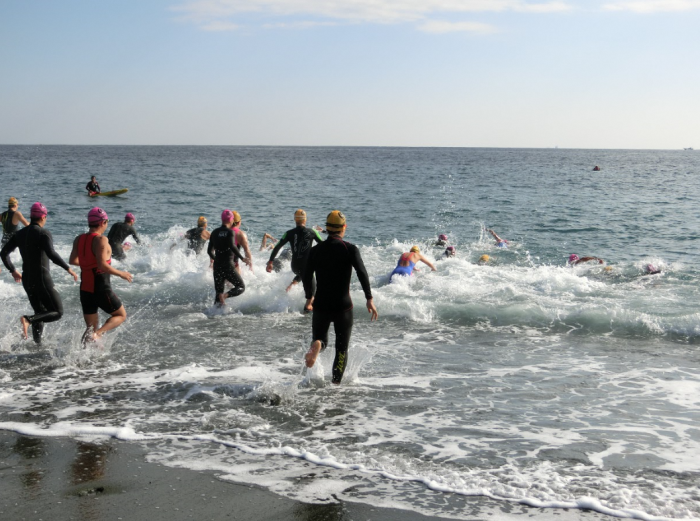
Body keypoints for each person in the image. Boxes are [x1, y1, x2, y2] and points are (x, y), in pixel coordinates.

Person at [303, 211, 378, 385]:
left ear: (327, 229)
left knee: (321, 339)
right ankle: (335, 387)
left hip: (321, 304)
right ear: (343, 228)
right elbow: (362, 273)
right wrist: (369, 298)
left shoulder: (315, 250)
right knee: (341, 349)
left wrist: (309, 297)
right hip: (343, 307)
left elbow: (306, 275)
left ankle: (317, 345)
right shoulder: (349, 249)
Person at [1, 202, 78, 343]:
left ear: (31, 216)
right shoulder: (43, 233)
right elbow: (51, 254)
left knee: (40, 312)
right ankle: (27, 319)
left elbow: (4, 253)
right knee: (57, 312)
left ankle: (37, 344)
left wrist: (13, 270)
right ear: (43, 217)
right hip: (41, 278)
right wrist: (68, 269)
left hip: (27, 278)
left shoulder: (20, 234)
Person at [69, 207, 133, 344]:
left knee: (89, 328)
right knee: (121, 315)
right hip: (100, 287)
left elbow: (73, 260)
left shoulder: (79, 239)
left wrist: (88, 263)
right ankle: (98, 335)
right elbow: (102, 265)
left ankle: (82, 358)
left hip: (85, 288)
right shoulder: (101, 240)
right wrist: (121, 273)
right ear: (103, 222)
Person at [266, 209, 323, 293]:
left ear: (295, 219)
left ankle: (292, 285)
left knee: (301, 272)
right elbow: (324, 246)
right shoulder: (312, 232)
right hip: (306, 267)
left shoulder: (289, 233)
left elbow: (277, 247)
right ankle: (309, 300)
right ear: (305, 219)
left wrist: (270, 262)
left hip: (294, 266)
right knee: (312, 293)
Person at [207, 210, 252, 306]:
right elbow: (232, 246)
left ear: (222, 219)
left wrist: (216, 260)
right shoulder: (230, 232)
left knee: (218, 293)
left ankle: (213, 316)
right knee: (240, 287)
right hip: (228, 265)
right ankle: (225, 296)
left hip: (217, 266)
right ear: (231, 220)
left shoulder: (214, 232)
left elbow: (209, 251)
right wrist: (242, 258)